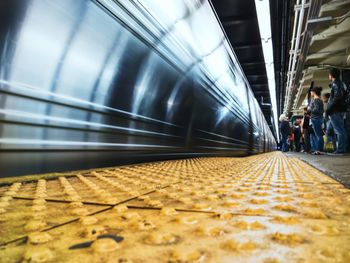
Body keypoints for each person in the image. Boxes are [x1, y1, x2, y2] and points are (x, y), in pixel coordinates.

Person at [326, 68, 348, 154]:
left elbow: (337, 97)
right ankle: (339, 148)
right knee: (336, 130)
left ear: (331, 75)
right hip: (340, 110)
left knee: (340, 130)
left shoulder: (336, 84)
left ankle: (341, 149)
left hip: (335, 111)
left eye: (329, 74)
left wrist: (329, 108)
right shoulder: (342, 83)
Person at [309, 86, 324, 154]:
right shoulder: (319, 100)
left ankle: (319, 150)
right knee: (318, 135)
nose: (310, 93)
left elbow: (316, 110)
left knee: (318, 135)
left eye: (311, 92)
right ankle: (319, 150)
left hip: (316, 119)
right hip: (318, 118)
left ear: (314, 92)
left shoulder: (316, 100)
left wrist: (309, 109)